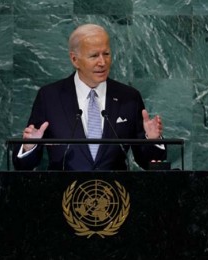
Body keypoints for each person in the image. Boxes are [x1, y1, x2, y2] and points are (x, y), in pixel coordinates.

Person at [12, 23, 166, 171]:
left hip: (115, 194)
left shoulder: (129, 97)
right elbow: (23, 166)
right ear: (74, 60)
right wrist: (29, 147)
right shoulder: (50, 97)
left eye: (106, 54)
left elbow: (148, 163)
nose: (102, 62)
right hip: (64, 193)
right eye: (94, 56)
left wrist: (152, 140)